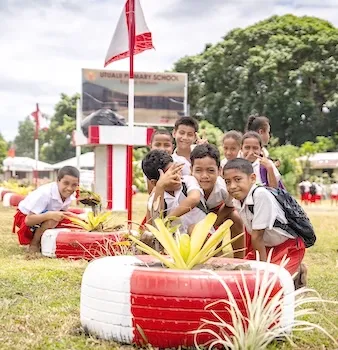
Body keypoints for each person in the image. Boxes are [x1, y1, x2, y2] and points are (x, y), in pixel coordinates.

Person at [223, 158, 306, 281]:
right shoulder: (237, 200)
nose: (232, 186)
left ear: (252, 178)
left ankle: (298, 269)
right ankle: (289, 269)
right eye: (227, 182)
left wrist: (262, 272)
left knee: (271, 283)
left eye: (238, 179)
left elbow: (257, 237)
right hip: (267, 247)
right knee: (239, 278)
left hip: (289, 247)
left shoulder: (260, 194)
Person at [190, 144, 245, 258]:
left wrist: (213, 223)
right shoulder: (187, 186)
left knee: (236, 218)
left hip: (217, 213)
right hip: (191, 218)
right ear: (191, 170)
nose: (204, 176)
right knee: (198, 232)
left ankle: (239, 259)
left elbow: (230, 207)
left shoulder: (224, 187)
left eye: (210, 170)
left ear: (219, 171)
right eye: (198, 170)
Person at [13, 166, 80, 253]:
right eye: (66, 183)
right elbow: (28, 220)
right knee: (52, 220)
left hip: (42, 215)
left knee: (67, 220)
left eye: (74, 185)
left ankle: (44, 239)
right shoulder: (45, 194)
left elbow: (62, 212)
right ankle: (34, 243)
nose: (69, 188)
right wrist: (50, 215)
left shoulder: (69, 195)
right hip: (25, 217)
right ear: (58, 181)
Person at [142, 149, 208, 235]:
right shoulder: (155, 197)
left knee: (193, 229)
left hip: (203, 238)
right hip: (175, 244)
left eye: (176, 170)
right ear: (155, 182)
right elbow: (155, 224)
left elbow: (194, 199)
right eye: (170, 175)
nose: (177, 176)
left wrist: (168, 220)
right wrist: (160, 187)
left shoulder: (188, 181)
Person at [145, 129, 175, 194]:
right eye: (158, 145)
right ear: (150, 146)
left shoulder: (179, 163)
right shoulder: (149, 166)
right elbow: (152, 193)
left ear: (172, 147)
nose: (162, 148)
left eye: (166, 145)